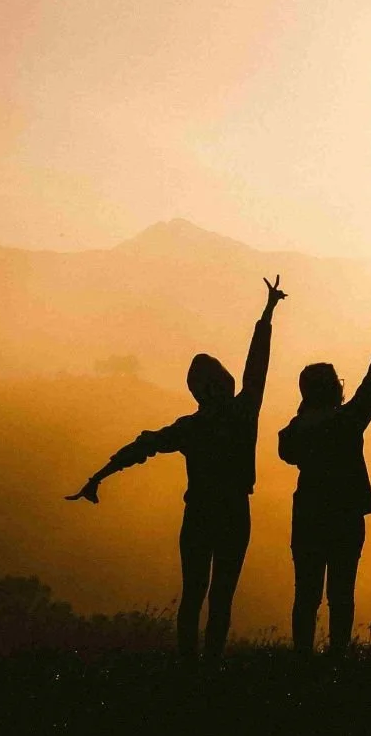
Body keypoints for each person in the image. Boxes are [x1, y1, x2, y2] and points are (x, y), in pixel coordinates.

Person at [66, 276, 287, 660]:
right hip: (233, 511)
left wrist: (98, 477)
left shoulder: (192, 427)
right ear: (222, 383)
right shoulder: (242, 411)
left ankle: (189, 667)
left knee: (194, 594)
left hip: (200, 513)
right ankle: (210, 666)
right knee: (220, 597)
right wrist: (267, 314)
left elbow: (141, 446)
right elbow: (257, 365)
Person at [278, 300, 371, 655]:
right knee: (341, 593)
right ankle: (339, 654)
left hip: (309, 515)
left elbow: (287, 454)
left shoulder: (295, 429)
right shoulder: (347, 422)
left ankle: (303, 656)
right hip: (346, 515)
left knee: (306, 594)